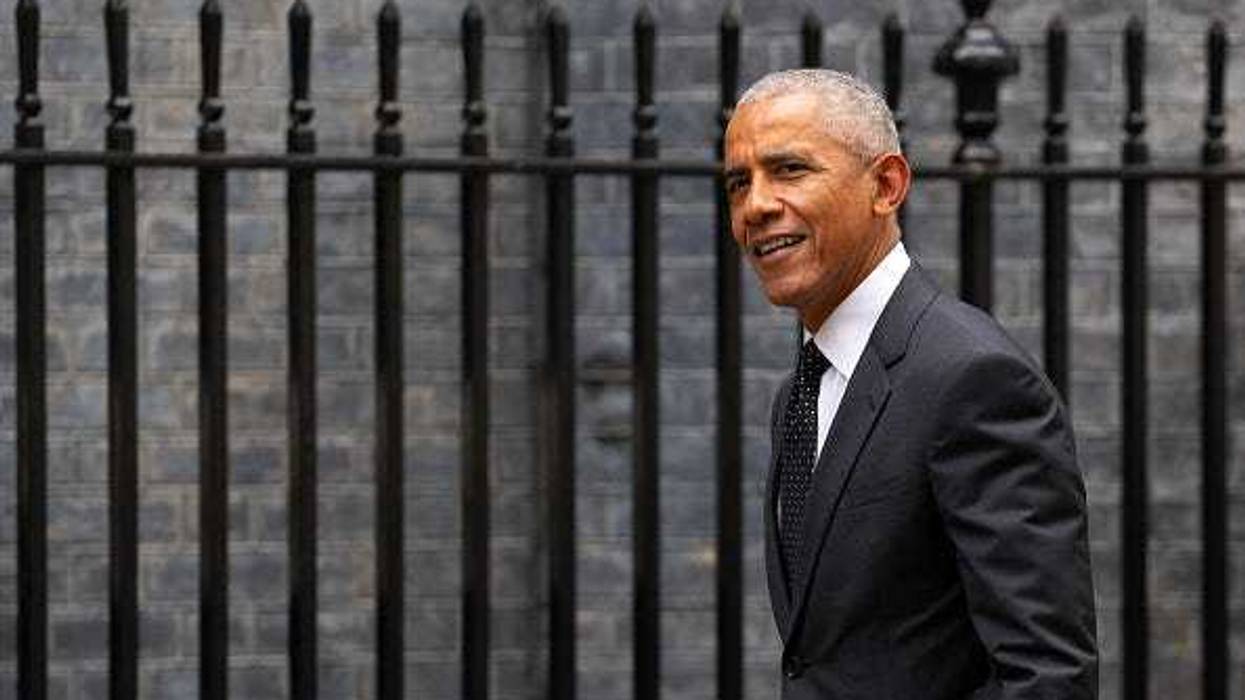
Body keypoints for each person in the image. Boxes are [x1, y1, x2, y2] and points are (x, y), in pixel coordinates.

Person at [724, 68, 1097, 699]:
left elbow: (1046, 675)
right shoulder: (802, 392)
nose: (756, 204)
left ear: (887, 185)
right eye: (739, 182)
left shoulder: (972, 377)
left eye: (790, 170)